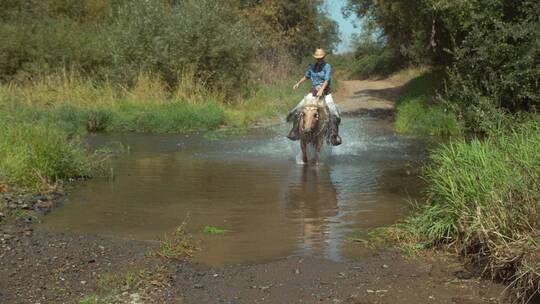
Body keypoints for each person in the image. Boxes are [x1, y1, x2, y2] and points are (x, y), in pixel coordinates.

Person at [287, 48, 342, 146]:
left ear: (323, 57)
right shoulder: (312, 67)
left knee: (334, 112)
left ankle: (334, 136)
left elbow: (327, 80)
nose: (319, 60)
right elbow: (306, 76)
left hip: (325, 93)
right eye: (317, 58)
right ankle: (295, 131)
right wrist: (298, 83)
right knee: (298, 108)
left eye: (321, 58)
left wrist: (321, 89)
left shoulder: (327, 66)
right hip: (313, 93)